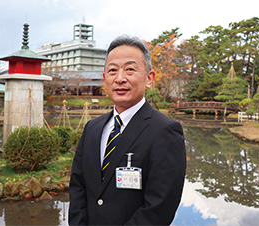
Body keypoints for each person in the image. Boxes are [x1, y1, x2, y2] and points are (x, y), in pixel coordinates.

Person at [69, 35, 186, 225]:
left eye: (130, 70)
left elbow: (160, 207)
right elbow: (77, 187)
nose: (120, 78)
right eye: (113, 71)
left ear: (149, 79)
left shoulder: (165, 131)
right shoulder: (93, 128)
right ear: (105, 78)